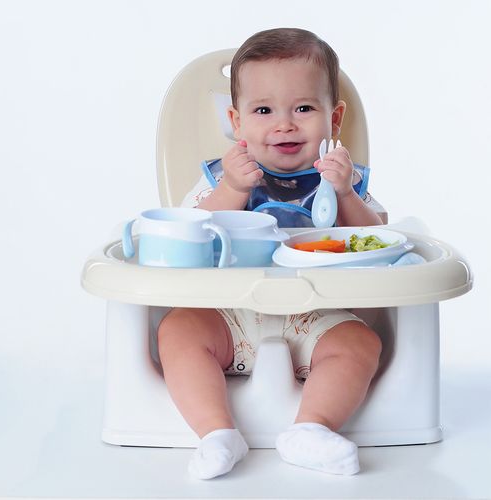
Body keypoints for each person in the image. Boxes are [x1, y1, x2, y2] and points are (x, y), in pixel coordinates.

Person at [157, 27, 384, 480]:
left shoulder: (344, 180)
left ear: (334, 118)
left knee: (361, 343)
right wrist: (231, 189)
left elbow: (378, 244)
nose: (284, 124)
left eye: (303, 108)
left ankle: (311, 429)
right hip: (230, 315)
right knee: (177, 330)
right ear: (237, 122)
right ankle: (216, 433)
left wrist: (344, 196)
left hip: (318, 316)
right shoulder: (223, 177)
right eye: (263, 110)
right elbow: (189, 230)